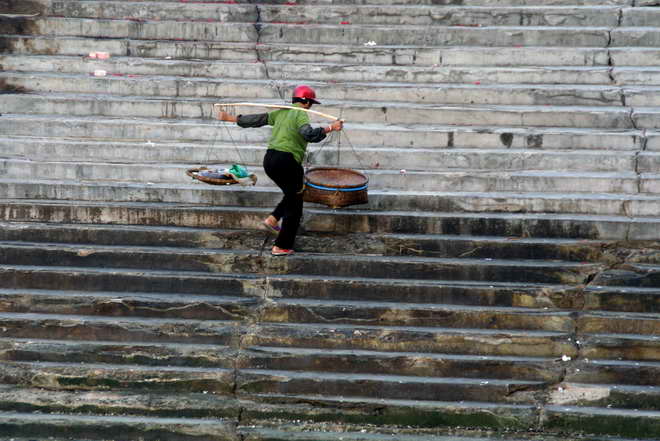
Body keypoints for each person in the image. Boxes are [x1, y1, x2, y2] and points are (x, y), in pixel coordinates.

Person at [217, 85, 343, 256]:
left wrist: (230, 118)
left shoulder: (281, 112)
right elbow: (309, 134)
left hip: (270, 160)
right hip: (287, 161)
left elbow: (257, 120)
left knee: (294, 193)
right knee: (295, 206)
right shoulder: (300, 113)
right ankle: (281, 246)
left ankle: (273, 219)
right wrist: (331, 128)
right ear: (305, 101)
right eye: (311, 103)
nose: (311, 106)